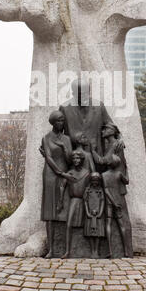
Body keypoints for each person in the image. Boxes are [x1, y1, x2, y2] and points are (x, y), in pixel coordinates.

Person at [39, 110, 72, 258]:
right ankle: (51, 250)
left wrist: (65, 149)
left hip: (65, 176)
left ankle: (67, 249)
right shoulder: (46, 138)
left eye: (63, 121)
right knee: (50, 213)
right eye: (59, 121)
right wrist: (59, 172)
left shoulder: (67, 139)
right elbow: (49, 158)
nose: (62, 123)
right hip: (51, 176)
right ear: (53, 122)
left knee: (64, 211)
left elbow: (70, 160)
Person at [59, 150, 90, 259]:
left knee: (86, 224)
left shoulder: (87, 173)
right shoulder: (70, 173)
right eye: (74, 158)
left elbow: (89, 188)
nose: (76, 160)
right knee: (69, 224)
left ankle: (87, 249)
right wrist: (60, 201)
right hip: (73, 201)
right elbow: (62, 186)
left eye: (78, 158)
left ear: (82, 160)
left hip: (83, 201)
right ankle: (67, 251)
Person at [102, 155, 133, 258]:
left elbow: (106, 190)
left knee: (109, 224)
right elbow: (127, 181)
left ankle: (110, 251)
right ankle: (126, 251)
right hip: (118, 201)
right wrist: (127, 169)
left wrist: (113, 202)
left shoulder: (104, 175)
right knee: (121, 226)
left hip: (109, 202)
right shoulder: (119, 174)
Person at [83, 172, 105, 258]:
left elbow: (102, 201)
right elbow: (85, 201)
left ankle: (97, 250)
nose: (95, 182)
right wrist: (87, 212)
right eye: (93, 180)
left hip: (98, 214)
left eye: (96, 180)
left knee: (98, 233)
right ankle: (92, 251)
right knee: (90, 233)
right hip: (90, 214)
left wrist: (100, 212)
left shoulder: (100, 191)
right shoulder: (88, 190)